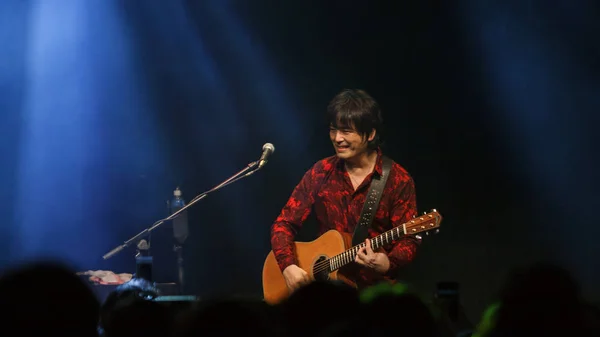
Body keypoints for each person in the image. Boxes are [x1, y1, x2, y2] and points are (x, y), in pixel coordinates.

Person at [270, 89, 420, 292]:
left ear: (371, 134)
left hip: (374, 294)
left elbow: (408, 240)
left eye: (347, 131)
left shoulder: (398, 180)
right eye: (333, 130)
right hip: (326, 295)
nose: (337, 138)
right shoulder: (321, 172)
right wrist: (288, 266)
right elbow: (283, 225)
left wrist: (387, 262)